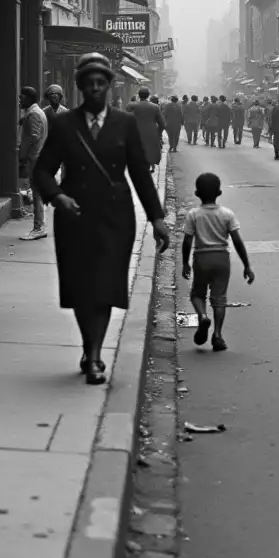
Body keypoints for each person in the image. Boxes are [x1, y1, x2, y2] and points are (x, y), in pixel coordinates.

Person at [34, 53, 169, 383]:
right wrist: (58, 196)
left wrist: (157, 218)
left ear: (109, 86)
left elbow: (139, 173)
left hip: (115, 216)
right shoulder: (65, 125)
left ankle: (94, 355)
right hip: (75, 217)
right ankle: (88, 344)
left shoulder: (124, 123)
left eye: (101, 83)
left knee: (106, 285)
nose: (95, 89)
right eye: (89, 84)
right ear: (80, 87)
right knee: (83, 287)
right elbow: (41, 171)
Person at [182, 172, 254, 352]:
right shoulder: (227, 214)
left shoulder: (194, 215)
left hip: (202, 259)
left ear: (197, 193)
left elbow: (187, 241)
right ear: (219, 192)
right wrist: (247, 265)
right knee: (219, 299)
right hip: (222, 259)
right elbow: (237, 241)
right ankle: (218, 335)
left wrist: (185, 263)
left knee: (197, 294)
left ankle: (203, 315)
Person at [19, 86, 49, 240]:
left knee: (36, 193)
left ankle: (38, 227)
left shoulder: (34, 114)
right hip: (38, 157)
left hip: (35, 158)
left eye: (22, 97)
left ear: (30, 98)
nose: (19, 100)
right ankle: (39, 226)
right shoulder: (36, 112)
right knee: (37, 193)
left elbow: (33, 137)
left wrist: (22, 155)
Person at [133, 87, 166, 171]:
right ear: (148, 95)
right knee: (150, 149)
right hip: (151, 131)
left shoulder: (132, 106)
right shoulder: (155, 107)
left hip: (136, 132)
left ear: (139, 95)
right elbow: (162, 123)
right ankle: (151, 166)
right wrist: (159, 132)